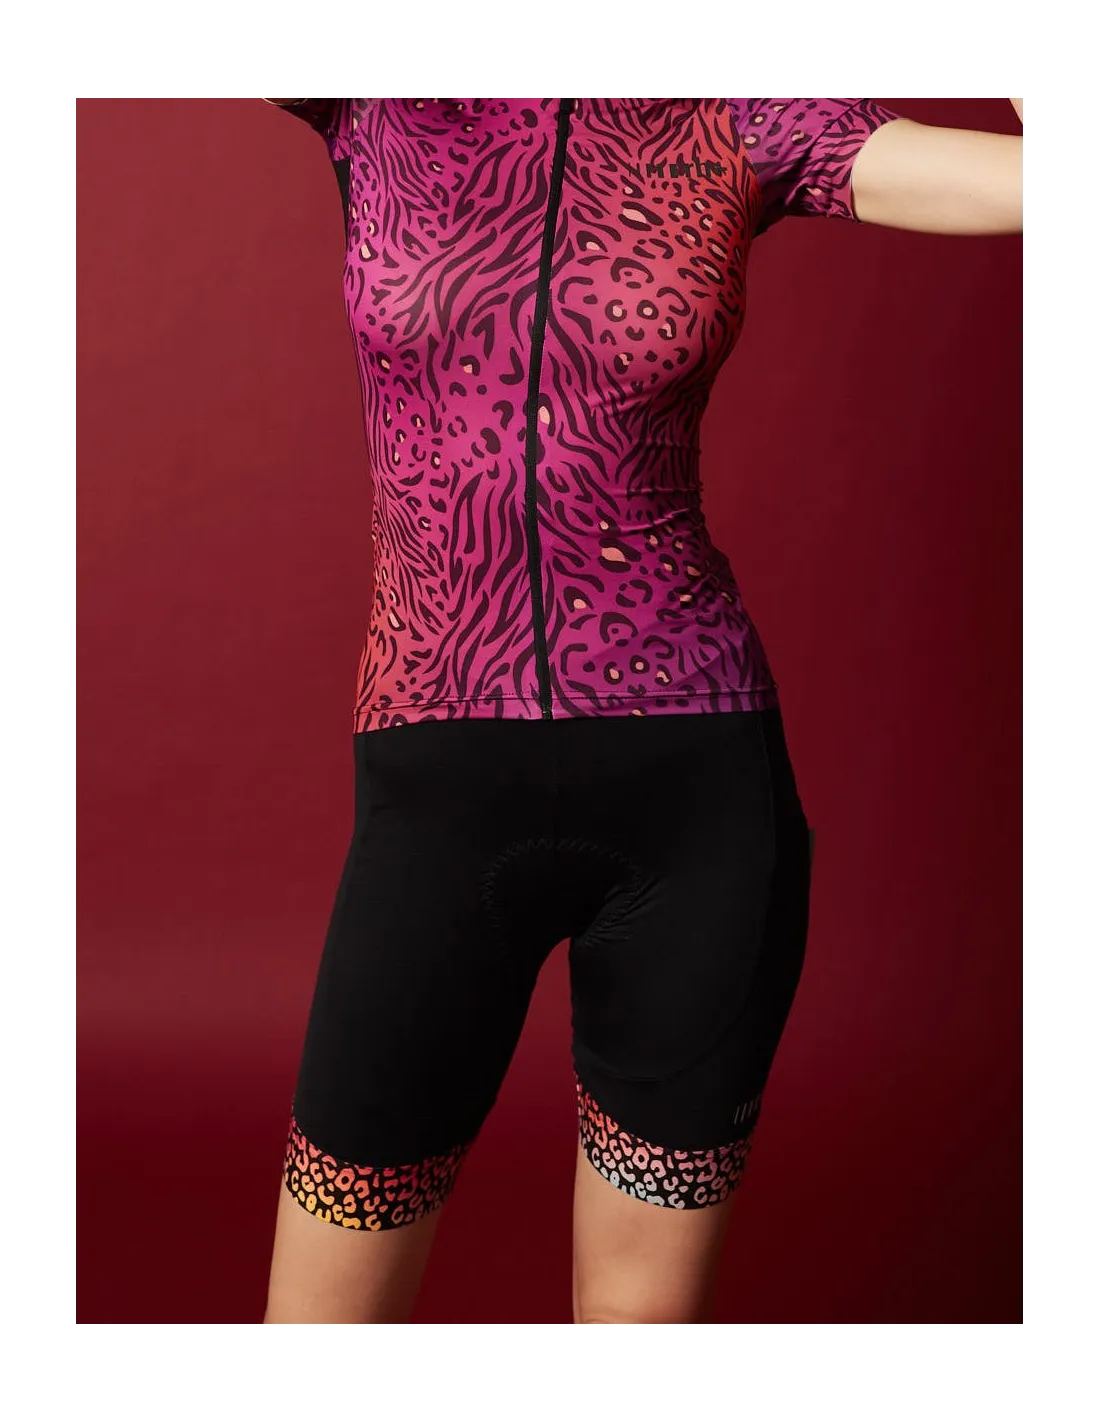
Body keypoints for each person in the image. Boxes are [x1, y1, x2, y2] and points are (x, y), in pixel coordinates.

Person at [259, 95, 1023, 1327]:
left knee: (638, 1342)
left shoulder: (742, 110)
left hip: (696, 798)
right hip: (434, 799)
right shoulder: (376, 89)